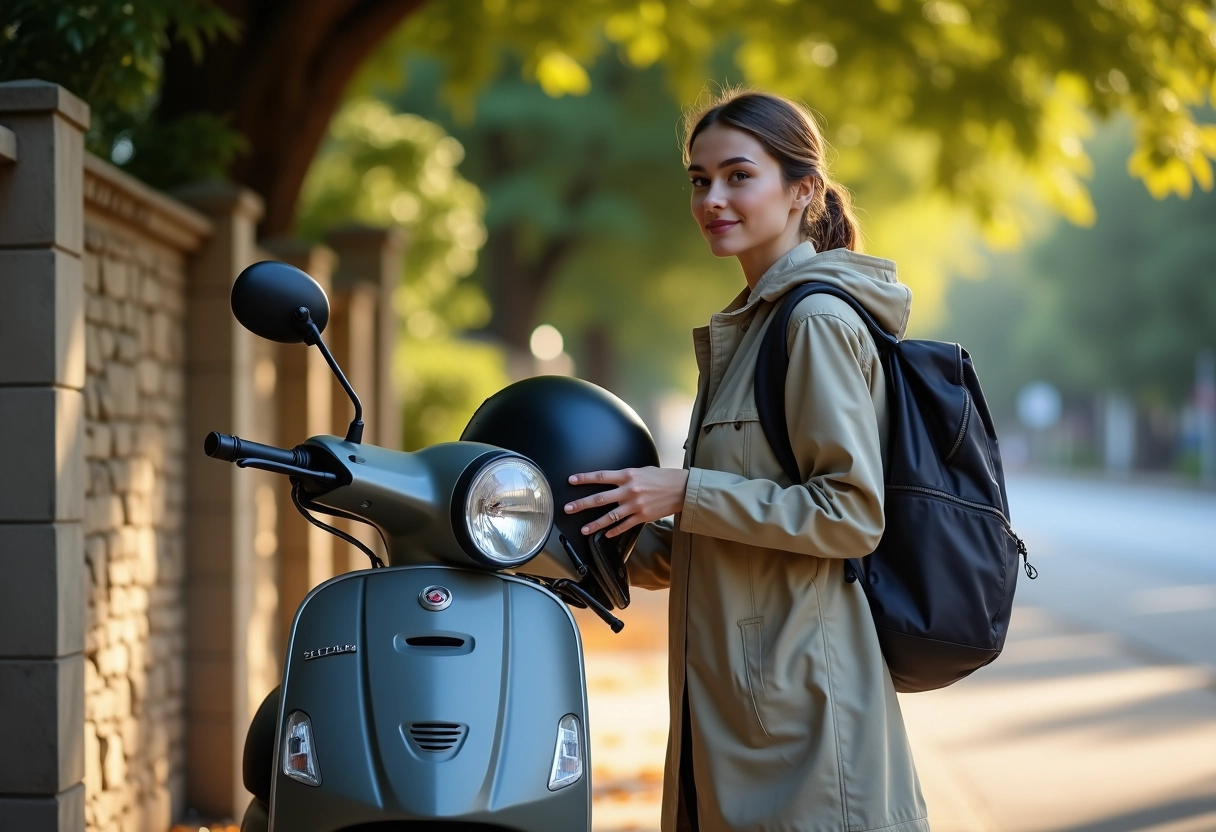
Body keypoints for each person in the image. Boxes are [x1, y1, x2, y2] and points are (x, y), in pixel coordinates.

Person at [562, 90, 929, 832]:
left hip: (802, 722)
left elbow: (850, 514)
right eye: (700, 180)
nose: (713, 199)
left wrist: (685, 490)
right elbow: (725, 528)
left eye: (738, 176)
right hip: (731, 715)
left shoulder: (815, 321)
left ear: (803, 191)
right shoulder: (749, 331)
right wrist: (577, 534)